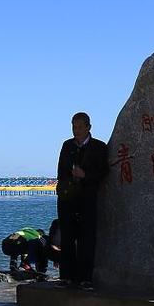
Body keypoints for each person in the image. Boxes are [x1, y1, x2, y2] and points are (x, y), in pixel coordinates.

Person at [54, 111, 109, 290]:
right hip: (67, 198)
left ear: (88, 127)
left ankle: (86, 278)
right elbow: (61, 170)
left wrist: (85, 175)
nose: (76, 130)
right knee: (67, 237)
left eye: (79, 127)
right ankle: (66, 276)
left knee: (87, 238)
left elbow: (103, 172)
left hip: (87, 198)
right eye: (73, 127)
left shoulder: (99, 147)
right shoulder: (67, 145)